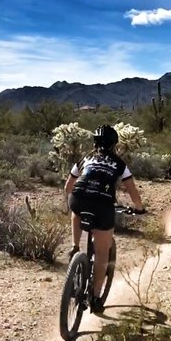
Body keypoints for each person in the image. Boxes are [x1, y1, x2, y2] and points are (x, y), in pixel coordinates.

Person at [63, 124, 145, 313]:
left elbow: (68, 187)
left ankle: (75, 247)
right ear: (114, 144)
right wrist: (139, 209)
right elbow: (132, 191)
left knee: (76, 207)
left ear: (95, 142)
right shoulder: (119, 164)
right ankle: (96, 297)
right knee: (102, 254)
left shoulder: (84, 158)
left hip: (79, 198)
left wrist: (72, 200)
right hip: (103, 205)